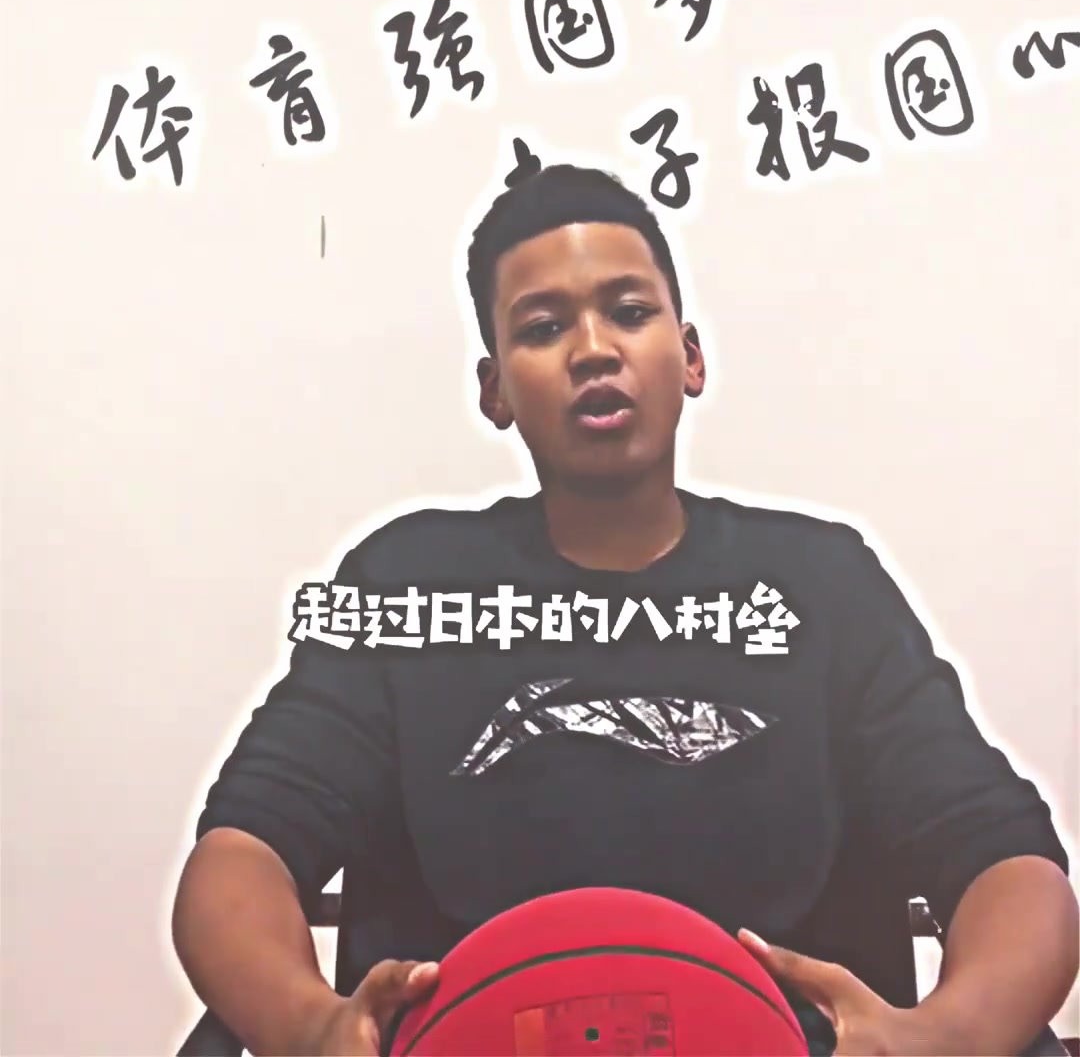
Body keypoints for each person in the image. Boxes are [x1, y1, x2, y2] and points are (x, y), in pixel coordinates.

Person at [173, 165, 1077, 1057]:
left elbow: (1007, 862)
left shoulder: (822, 584)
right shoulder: (407, 584)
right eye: (543, 328)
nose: (594, 350)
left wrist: (949, 1037)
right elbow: (242, 855)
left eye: (630, 312)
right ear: (494, 389)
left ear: (691, 356)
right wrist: (309, 1026)